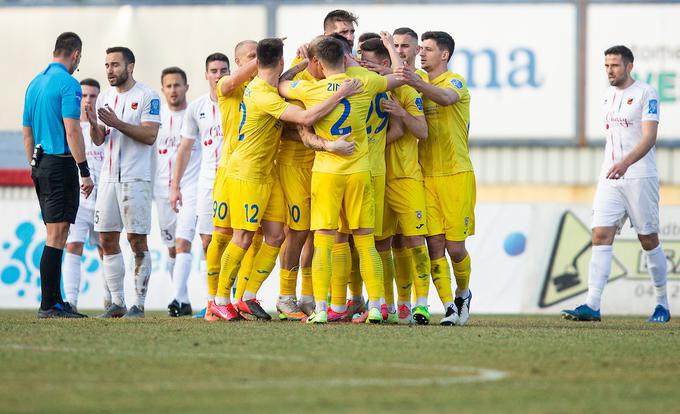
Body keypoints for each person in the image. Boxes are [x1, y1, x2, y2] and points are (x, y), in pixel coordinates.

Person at [211, 38, 361, 321]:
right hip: (247, 174)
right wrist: (339, 94)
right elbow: (305, 117)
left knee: (277, 235)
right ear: (279, 61)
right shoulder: (262, 95)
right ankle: (220, 299)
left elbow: (283, 80)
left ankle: (248, 296)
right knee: (242, 237)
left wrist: (302, 63)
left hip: (267, 173)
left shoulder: (268, 86)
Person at [280, 36, 402, 324]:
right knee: (365, 242)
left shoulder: (311, 89)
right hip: (359, 170)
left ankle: (321, 308)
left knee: (323, 241)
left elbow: (281, 84)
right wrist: (388, 52)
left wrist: (299, 65)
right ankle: (376, 307)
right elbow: (399, 77)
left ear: (318, 63)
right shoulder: (364, 81)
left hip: (327, 173)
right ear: (346, 57)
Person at [562, 45, 670, 323]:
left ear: (629, 66)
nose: (610, 71)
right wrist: (615, 166)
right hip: (610, 177)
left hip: (639, 176)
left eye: (615, 66)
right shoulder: (608, 96)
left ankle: (662, 304)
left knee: (648, 239)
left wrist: (626, 163)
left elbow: (649, 138)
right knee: (599, 235)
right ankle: (592, 304)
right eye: (607, 66)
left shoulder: (647, 93)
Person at [395, 31, 475, 326]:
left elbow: (445, 98)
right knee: (434, 245)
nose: (422, 54)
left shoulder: (454, 81)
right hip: (425, 176)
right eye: (422, 49)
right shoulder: (418, 85)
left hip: (456, 174)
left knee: (455, 247)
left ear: (444, 55)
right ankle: (449, 309)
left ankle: (463, 293)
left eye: (428, 49)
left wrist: (416, 81)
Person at [23, 32, 93, 318]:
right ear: (75, 54)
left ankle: (54, 299)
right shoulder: (68, 84)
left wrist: (34, 165)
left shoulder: (34, 83)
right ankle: (49, 303)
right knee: (57, 234)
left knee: (55, 233)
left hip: (40, 163)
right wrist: (84, 170)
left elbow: (27, 131)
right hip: (59, 163)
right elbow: (72, 129)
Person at [360, 36, 429, 325]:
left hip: (406, 175)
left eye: (368, 63)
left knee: (411, 240)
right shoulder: (367, 86)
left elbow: (413, 130)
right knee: (380, 242)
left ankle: (418, 303)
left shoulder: (411, 84)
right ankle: (386, 303)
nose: (363, 67)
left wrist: (396, 118)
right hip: (376, 174)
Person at [88, 46, 161, 318]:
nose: (110, 70)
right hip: (108, 178)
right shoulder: (105, 97)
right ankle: (117, 303)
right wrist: (94, 125)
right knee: (107, 239)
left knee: (136, 240)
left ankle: (138, 304)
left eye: (115, 65)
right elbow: (99, 139)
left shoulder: (147, 96)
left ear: (130, 67)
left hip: (136, 178)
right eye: (107, 65)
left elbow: (149, 135)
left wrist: (117, 123)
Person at [203, 41, 258, 321]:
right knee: (223, 235)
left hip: (255, 172)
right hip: (228, 170)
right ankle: (214, 300)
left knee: (255, 236)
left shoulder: (263, 86)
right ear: (238, 61)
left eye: (260, 54)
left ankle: (241, 297)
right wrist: (266, 57)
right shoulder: (229, 83)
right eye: (251, 56)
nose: (257, 60)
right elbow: (235, 79)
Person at [154, 66, 198, 317]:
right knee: (172, 247)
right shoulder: (156, 119)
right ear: (163, 89)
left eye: (177, 85)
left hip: (191, 188)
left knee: (188, 242)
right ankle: (183, 299)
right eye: (168, 86)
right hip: (163, 191)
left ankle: (179, 299)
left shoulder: (194, 115)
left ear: (186, 87)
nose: (173, 90)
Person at [62, 78, 105, 313]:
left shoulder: (103, 128)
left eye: (93, 96)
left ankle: (111, 300)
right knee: (73, 246)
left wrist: (95, 123)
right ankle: (71, 302)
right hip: (78, 199)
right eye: (85, 95)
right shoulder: (69, 128)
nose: (88, 100)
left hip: (102, 199)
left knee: (106, 248)